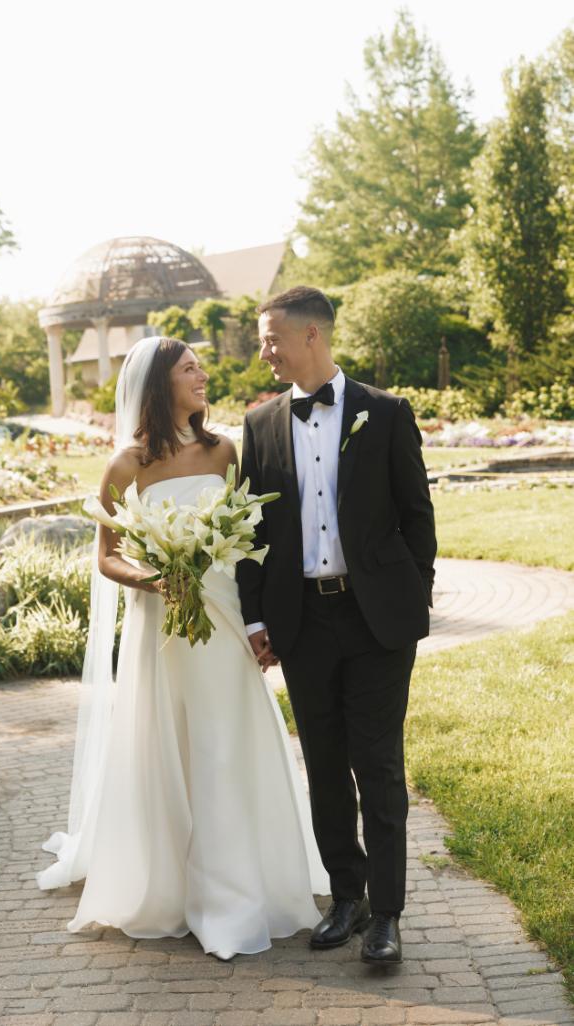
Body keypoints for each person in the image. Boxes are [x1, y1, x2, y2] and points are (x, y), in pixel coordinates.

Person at [36, 335, 329, 961]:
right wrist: (157, 577)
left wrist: (256, 619)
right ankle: (168, 883)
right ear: (159, 385)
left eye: (200, 366)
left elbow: (252, 533)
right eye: (189, 368)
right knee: (168, 745)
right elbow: (108, 558)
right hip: (161, 628)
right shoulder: (125, 464)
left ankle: (234, 891)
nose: (202, 375)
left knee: (226, 743)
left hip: (220, 619)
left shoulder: (225, 449)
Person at [237, 287, 437, 965]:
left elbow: (417, 516)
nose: (264, 350)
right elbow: (252, 533)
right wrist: (257, 615)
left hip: (377, 619)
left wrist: (414, 600)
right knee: (324, 765)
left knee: (377, 766)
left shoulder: (385, 413)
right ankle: (344, 898)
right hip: (302, 621)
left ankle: (386, 913)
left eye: (271, 339)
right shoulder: (259, 426)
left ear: (311, 336)